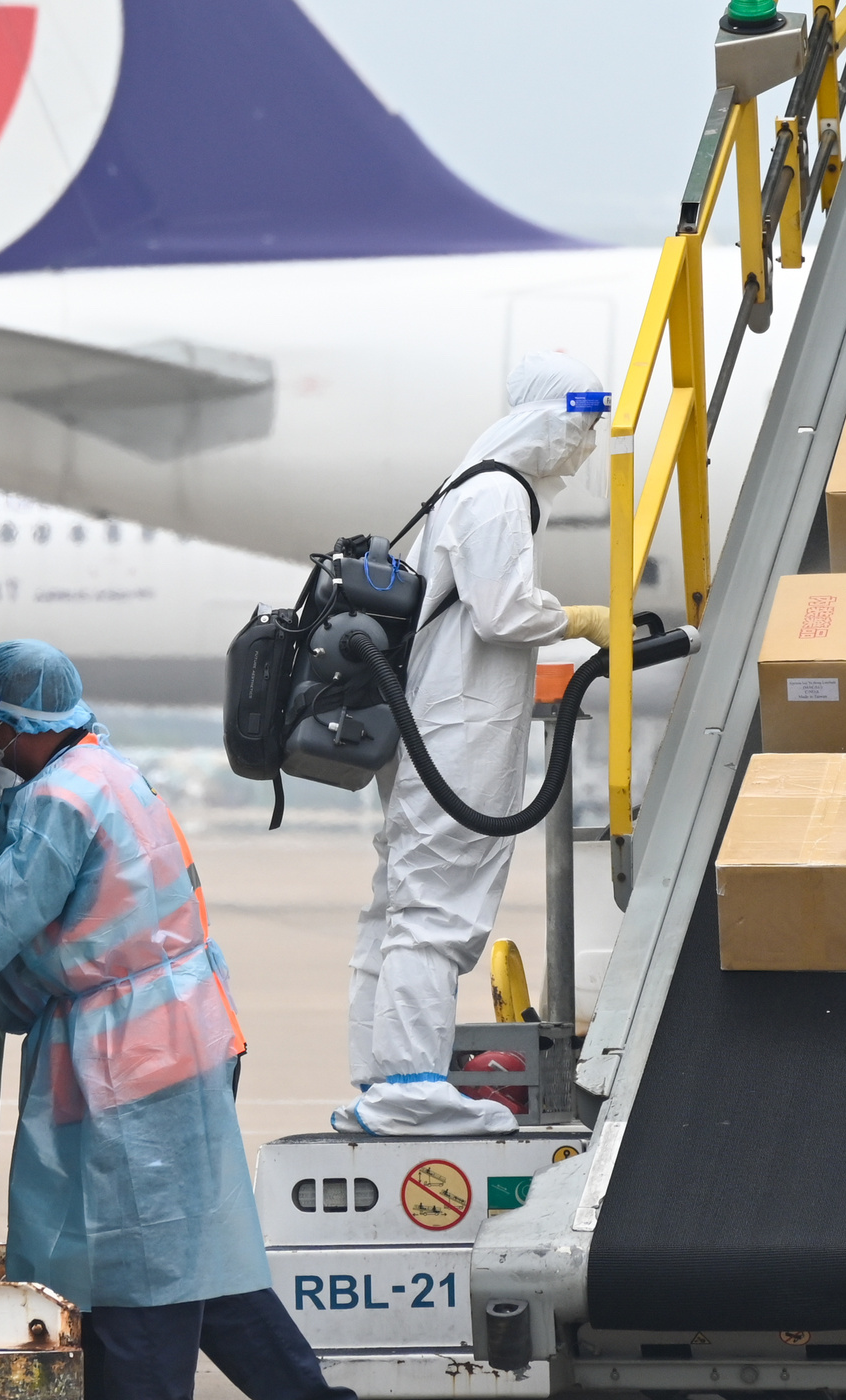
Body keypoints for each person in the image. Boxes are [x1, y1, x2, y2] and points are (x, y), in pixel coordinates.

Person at [0, 640, 352, 1400]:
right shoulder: (101, 771)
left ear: (21, 722)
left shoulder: (60, 800)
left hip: (131, 1052)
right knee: (194, 1254)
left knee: (139, 1264)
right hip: (173, 1031)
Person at [337, 351, 611, 1136]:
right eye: (581, 423)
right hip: (458, 731)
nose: (585, 443)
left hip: (438, 724)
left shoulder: (475, 488)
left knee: (400, 903)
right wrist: (582, 620)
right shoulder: (496, 495)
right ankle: (411, 1091)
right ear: (544, 416)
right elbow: (502, 613)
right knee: (438, 908)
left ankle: (380, 1080)